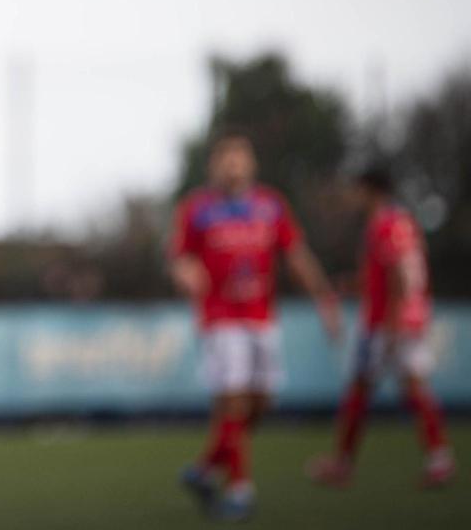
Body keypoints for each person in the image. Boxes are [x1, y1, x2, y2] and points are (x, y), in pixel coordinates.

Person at [169, 130, 341, 520]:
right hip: (220, 319)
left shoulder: (270, 205)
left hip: (262, 317)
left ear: (251, 163)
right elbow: (179, 257)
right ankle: (240, 489)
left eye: (239, 156)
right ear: (214, 165)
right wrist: (186, 273)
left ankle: (204, 468)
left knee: (260, 404)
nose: (233, 164)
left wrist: (324, 298)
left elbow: (295, 255)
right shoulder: (197, 209)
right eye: (225, 157)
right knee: (233, 401)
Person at [307, 166, 456, 488]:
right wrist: (353, 285)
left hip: (386, 321)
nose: (352, 197)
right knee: (410, 389)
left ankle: (343, 464)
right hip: (410, 315)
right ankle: (439, 459)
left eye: (356, 190)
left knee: (364, 389)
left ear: (369, 190)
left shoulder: (383, 224)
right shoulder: (403, 221)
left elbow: (396, 277)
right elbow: (398, 273)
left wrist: (391, 324)